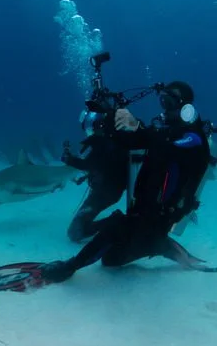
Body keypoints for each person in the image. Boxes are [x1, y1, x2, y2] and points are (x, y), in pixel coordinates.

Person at [42, 81, 212, 283]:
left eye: (168, 102)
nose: (164, 108)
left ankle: (69, 267)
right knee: (110, 260)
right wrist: (113, 124)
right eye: (162, 101)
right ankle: (160, 245)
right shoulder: (166, 132)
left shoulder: (194, 138)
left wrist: (138, 127)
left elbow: (167, 148)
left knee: (115, 228)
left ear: (186, 109)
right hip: (142, 209)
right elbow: (137, 141)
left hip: (160, 215)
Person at [61, 133, 129, 243]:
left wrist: (68, 159)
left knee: (74, 233)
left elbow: (88, 164)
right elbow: (103, 166)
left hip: (104, 193)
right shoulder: (112, 143)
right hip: (108, 191)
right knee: (86, 216)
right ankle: (111, 220)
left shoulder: (103, 143)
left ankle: (117, 220)